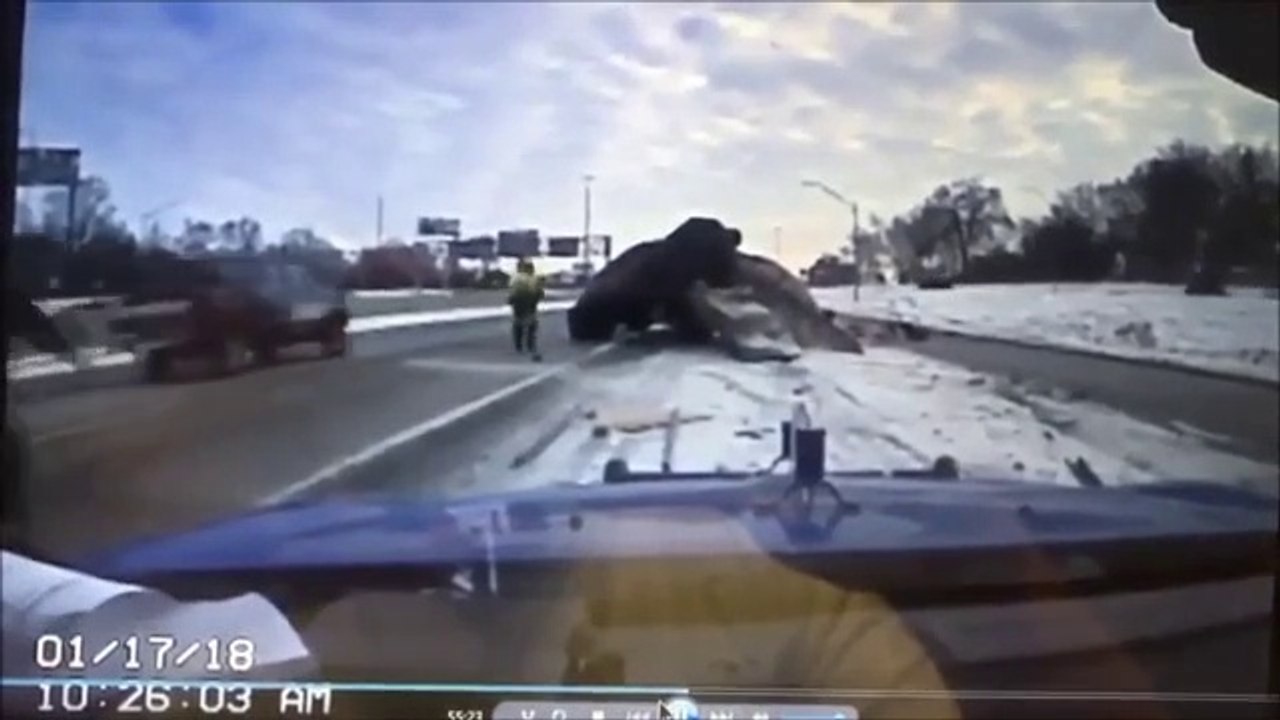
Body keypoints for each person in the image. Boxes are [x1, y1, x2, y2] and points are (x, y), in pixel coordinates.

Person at [508, 258, 545, 361]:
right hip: (530, 303)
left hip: (518, 304)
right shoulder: (533, 279)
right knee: (531, 325)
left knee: (518, 324)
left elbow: (512, 292)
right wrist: (537, 299)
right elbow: (540, 293)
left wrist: (511, 301)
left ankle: (519, 345)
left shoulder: (515, 278)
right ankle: (530, 344)